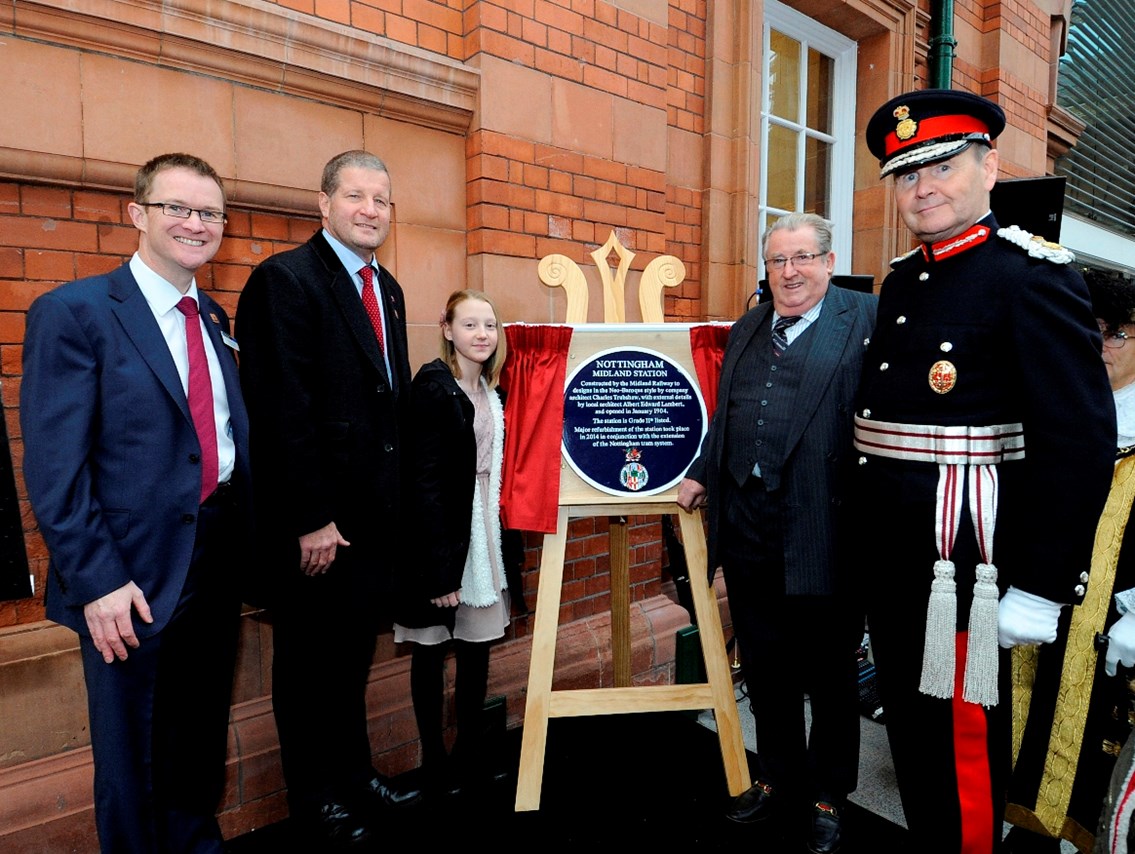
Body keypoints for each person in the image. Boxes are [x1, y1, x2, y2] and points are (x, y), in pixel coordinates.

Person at [856, 89, 1116, 853]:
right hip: (895, 554)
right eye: (905, 175)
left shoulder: (1032, 275)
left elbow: (1076, 438)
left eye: (940, 166)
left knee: (962, 733)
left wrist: (1038, 584)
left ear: (989, 167)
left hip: (966, 562)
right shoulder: (904, 279)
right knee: (910, 722)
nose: (922, 187)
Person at [20, 153, 251, 852]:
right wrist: (97, 582)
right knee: (134, 755)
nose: (195, 224)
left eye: (209, 213)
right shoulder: (76, 312)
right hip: (128, 577)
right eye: (177, 208)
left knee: (197, 737)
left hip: (211, 563)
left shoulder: (211, 316)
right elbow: (57, 468)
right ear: (138, 215)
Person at [236, 150, 421, 848]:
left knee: (348, 664)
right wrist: (312, 517)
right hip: (318, 525)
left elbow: (387, 405)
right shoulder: (284, 281)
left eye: (381, 198)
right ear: (323, 203)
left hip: (374, 525)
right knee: (308, 668)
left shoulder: (390, 289)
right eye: (355, 196)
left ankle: (354, 775)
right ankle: (314, 798)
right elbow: (282, 410)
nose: (370, 209)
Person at [677, 212, 877, 854]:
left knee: (829, 673)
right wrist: (703, 472)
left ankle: (827, 793)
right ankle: (780, 778)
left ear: (827, 259)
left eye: (800, 259)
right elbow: (726, 414)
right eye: (776, 261)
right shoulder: (749, 327)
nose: (788, 273)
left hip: (827, 530)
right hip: (748, 527)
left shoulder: (865, 319)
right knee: (766, 669)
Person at [1006, 270, 1135, 854]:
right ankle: (1029, 832)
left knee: (1097, 752)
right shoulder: (1049, 407)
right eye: (1090, 330)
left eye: (1115, 333)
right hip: (1039, 603)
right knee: (1027, 725)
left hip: (1116, 625)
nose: (1099, 345)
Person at [394, 289, 510, 797]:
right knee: (431, 649)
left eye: (489, 325)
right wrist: (440, 571)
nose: (482, 334)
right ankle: (435, 763)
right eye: (470, 325)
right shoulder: (434, 387)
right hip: (442, 535)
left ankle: (468, 754)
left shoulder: (488, 389)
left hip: (483, 531)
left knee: (477, 648)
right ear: (447, 329)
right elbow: (423, 482)